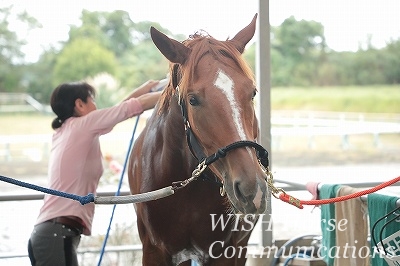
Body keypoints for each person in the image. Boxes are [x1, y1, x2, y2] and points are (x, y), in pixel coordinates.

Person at [27, 80, 162, 266]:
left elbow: (117, 110)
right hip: (56, 235)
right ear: (80, 105)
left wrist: (144, 88)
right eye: (92, 100)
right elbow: (134, 106)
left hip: (51, 235)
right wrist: (184, 90)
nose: (96, 106)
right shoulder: (82, 126)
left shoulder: (68, 129)